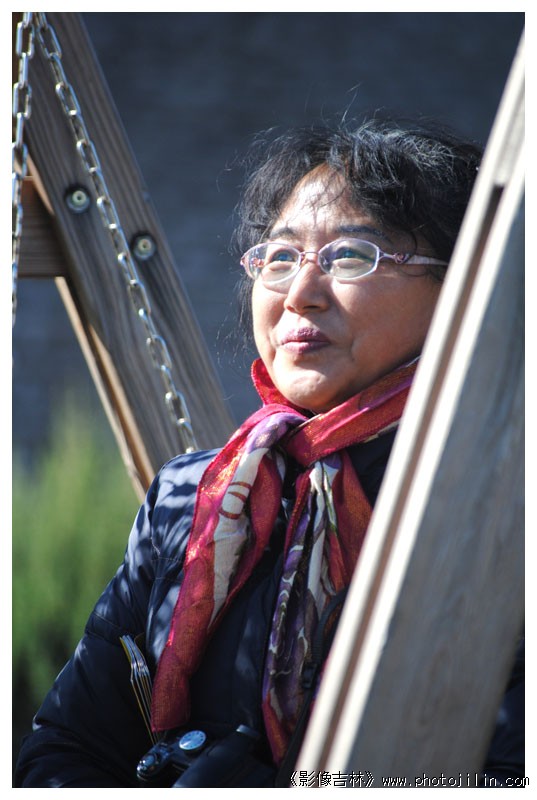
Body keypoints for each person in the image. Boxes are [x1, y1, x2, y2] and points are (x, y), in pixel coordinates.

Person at [14, 117, 523, 787]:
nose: (299, 293)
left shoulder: (504, 507)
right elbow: (67, 746)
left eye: (350, 255)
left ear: (464, 289)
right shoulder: (191, 497)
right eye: (279, 257)